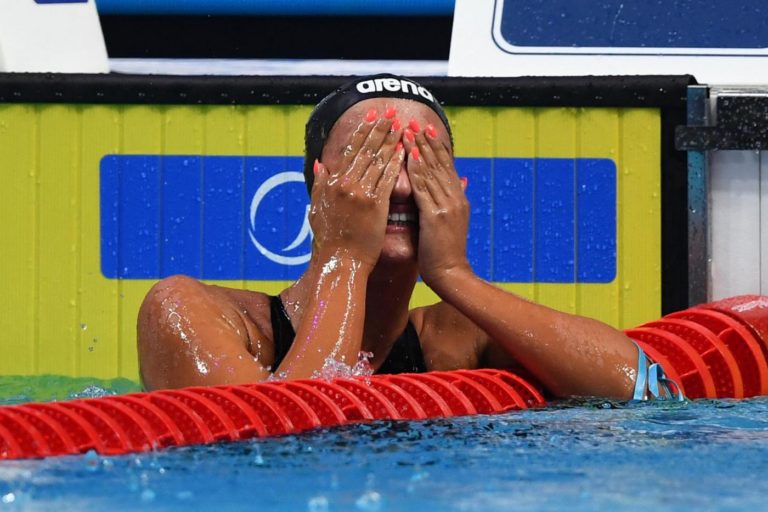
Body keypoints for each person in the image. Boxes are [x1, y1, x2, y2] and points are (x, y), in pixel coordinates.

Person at [137, 74, 679, 401]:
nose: (398, 186)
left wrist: (454, 276)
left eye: (422, 164)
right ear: (317, 190)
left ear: (455, 192)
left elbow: (648, 394)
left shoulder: (458, 338)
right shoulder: (195, 314)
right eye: (372, 160)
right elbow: (280, 446)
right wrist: (345, 258)